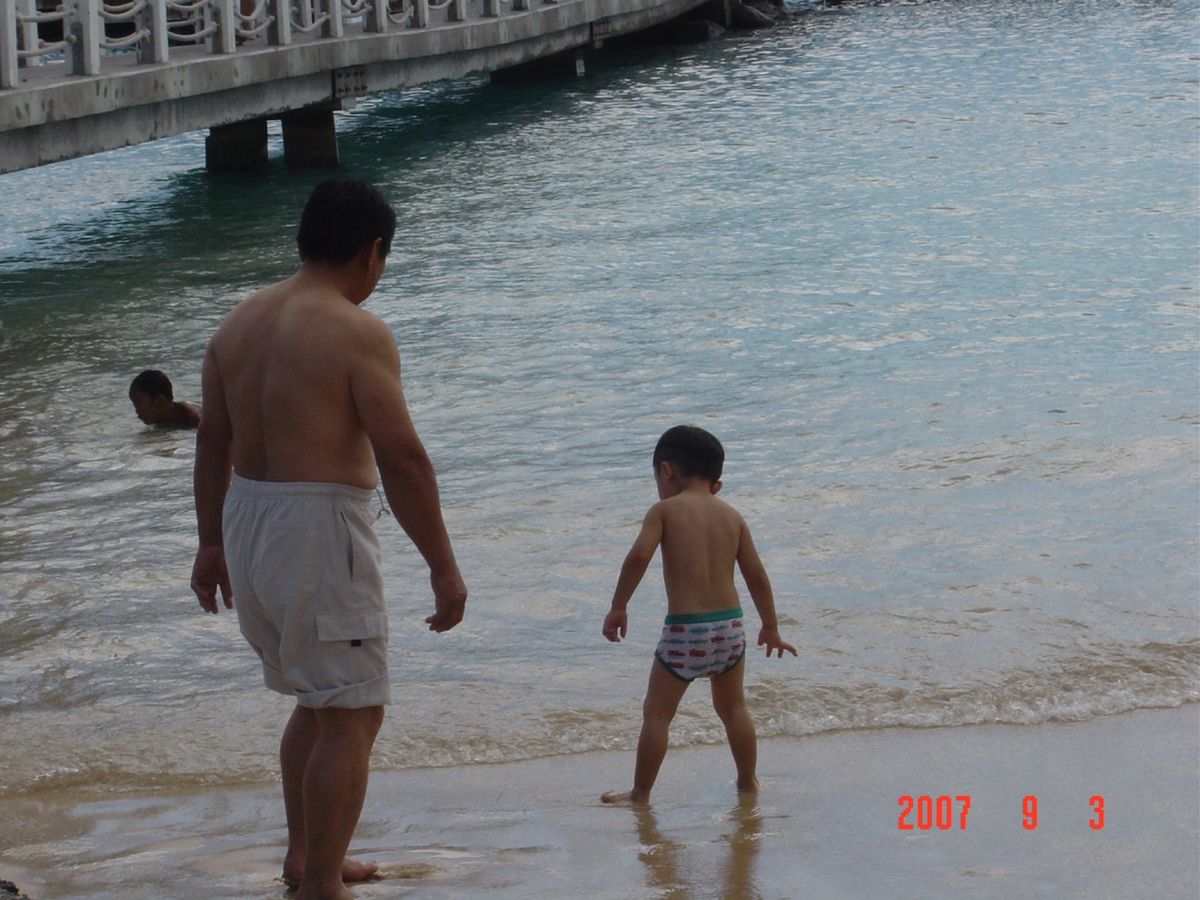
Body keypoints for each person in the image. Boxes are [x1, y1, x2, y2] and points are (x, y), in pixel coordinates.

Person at [190, 179, 468, 900]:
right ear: (372, 253)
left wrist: (210, 544)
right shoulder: (354, 330)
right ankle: (319, 884)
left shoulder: (238, 323)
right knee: (352, 711)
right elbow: (402, 456)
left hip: (247, 521)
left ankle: (307, 857)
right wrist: (443, 565)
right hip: (315, 529)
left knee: (319, 702)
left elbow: (212, 440)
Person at [601, 425, 796, 805]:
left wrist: (619, 605)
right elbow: (756, 575)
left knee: (656, 714)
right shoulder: (732, 516)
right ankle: (748, 783)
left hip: (684, 633)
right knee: (733, 709)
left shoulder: (664, 511)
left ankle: (640, 793)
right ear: (716, 484)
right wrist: (770, 626)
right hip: (730, 628)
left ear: (667, 471)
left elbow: (639, 556)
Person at [128, 369, 201, 428]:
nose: (136, 411)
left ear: (160, 401)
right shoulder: (160, 419)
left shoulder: (193, 418)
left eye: (138, 403)